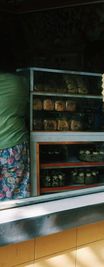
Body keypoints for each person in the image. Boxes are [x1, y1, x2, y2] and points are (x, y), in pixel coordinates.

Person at [0, 40, 31, 201]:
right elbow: (27, 112)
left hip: (11, 143)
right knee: (14, 198)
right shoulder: (20, 82)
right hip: (14, 146)